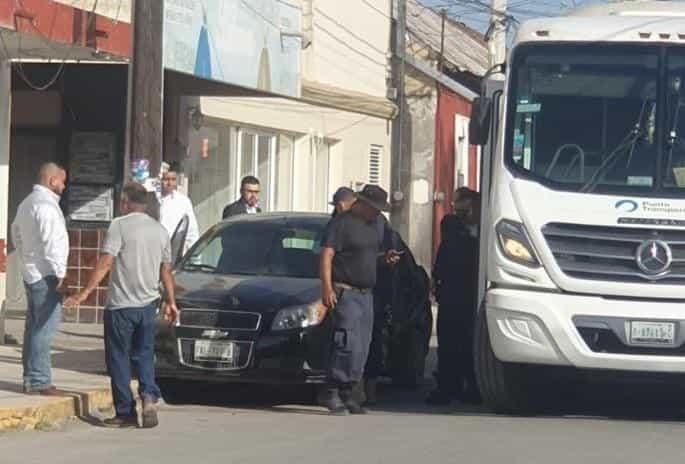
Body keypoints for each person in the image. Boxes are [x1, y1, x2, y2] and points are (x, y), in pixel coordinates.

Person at [65, 182, 179, 428]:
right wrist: (171, 302)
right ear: (145, 204)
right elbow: (166, 271)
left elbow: (106, 261)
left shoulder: (119, 225)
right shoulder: (160, 231)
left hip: (121, 307)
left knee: (118, 357)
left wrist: (84, 293)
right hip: (148, 306)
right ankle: (148, 395)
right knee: (144, 354)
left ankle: (126, 412)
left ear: (125, 203)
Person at [319, 185, 400, 415]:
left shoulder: (374, 225)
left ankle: (349, 393)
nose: (378, 213)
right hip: (346, 292)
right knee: (347, 343)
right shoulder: (341, 224)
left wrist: (386, 259)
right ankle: (332, 390)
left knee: (362, 347)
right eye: (375, 209)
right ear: (363, 204)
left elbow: (368, 257)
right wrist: (327, 287)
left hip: (367, 294)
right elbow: (327, 255)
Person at [11, 163, 69, 396]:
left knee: (34, 328)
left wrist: (26, 262)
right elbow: (53, 244)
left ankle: (31, 378)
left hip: (32, 273)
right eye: (62, 181)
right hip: (46, 275)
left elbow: (16, 234)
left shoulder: (27, 203)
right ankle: (39, 380)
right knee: (44, 329)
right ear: (52, 180)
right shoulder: (45, 206)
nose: (64, 186)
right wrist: (62, 276)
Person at [427, 187, 482, 405]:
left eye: (464, 208)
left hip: (470, 297)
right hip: (451, 296)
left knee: (468, 345)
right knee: (449, 345)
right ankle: (449, 386)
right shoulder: (453, 228)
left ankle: (470, 386)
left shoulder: (481, 232)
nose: (459, 212)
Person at [158, 165, 200, 252]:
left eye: (173, 180)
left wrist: (194, 255)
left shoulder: (183, 201)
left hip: (174, 253)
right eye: (166, 179)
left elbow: (192, 231)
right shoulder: (153, 199)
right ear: (160, 180)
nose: (170, 183)